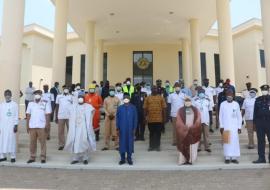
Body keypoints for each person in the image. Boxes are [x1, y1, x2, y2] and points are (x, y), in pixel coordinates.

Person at [64, 95, 96, 165]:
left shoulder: (87, 106)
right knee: (75, 142)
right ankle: (75, 158)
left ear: (84, 99)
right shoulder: (73, 106)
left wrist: (89, 119)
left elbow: (93, 111)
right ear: (77, 99)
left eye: (82, 98)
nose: (80, 100)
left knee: (84, 141)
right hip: (75, 128)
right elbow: (68, 111)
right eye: (79, 98)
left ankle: (85, 158)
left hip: (84, 127)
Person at [26, 90, 50, 164]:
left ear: (41, 95)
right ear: (34, 95)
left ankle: (43, 157)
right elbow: (28, 115)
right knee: (32, 143)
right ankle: (32, 157)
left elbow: (47, 115)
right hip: (32, 126)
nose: (37, 95)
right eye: (36, 94)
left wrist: (47, 125)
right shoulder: (30, 104)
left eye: (39, 94)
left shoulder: (45, 103)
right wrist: (27, 125)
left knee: (43, 142)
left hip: (42, 126)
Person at [176, 97, 201, 165]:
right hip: (183, 131)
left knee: (192, 146)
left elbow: (198, 119)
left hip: (193, 131)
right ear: (184, 102)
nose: (187, 102)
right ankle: (183, 160)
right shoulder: (180, 110)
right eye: (186, 101)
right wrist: (184, 127)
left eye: (189, 101)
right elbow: (178, 120)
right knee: (183, 145)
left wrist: (194, 126)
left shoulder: (196, 110)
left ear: (191, 102)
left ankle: (191, 160)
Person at [219, 90, 242, 164]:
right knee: (226, 142)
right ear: (226, 96)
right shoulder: (222, 104)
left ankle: (234, 157)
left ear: (233, 96)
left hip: (234, 127)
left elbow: (239, 116)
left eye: (230, 96)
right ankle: (227, 157)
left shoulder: (236, 104)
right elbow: (220, 116)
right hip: (225, 126)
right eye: (228, 96)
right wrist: (221, 126)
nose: (229, 97)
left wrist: (239, 127)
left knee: (234, 142)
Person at [116, 93, 138, 165]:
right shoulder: (120, 108)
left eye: (127, 98)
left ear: (129, 99)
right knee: (122, 143)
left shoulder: (133, 108)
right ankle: (122, 158)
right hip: (122, 129)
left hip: (130, 129)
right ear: (123, 99)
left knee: (130, 143)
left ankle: (129, 158)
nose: (126, 99)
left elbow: (135, 119)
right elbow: (117, 119)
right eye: (124, 98)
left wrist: (134, 128)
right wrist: (117, 128)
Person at [144, 86, 167, 151]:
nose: (154, 90)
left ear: (157, 90)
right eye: (153, 89)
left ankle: (157, 146)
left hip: (159, 119)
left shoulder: (161, 98)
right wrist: (144, 117)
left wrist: (164, 118)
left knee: (158, 133)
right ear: (151, 90)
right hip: (150, 119)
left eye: (155, 89)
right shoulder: (147, 98)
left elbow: (164, 108)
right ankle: (151, 146)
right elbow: (145, 108)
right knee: (151, 133)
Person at [0, 90, 19, 163]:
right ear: (4, 95)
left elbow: (16, 115)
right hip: (3, 126)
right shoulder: (1, 105)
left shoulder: (15, 104)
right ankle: (2, 156)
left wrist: (16, 125)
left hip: (11, 126)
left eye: (9, 94)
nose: (7, 96)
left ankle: (12, 156)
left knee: (11, 140)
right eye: (6, 94)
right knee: (2, 141)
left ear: (11, 95)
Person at [253, 85, 270, 164]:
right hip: (260, 123)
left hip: (269, 122)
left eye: (266, 90)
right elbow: (255, 113)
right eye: (263, 89)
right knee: (260, 141)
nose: (264, 91)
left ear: (268, 90)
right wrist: (254, 124)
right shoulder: (258, 99)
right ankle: (261, 158)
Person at [194, 88, 212, 152]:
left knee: (206, 134)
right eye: (200, 92)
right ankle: (198, 147)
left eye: (202, 92)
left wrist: (211, 120)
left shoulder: (208, 100)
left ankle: (207, 147)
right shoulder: (195, 101)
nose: (201, 93)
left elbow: (210, 111)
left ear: (204, 93)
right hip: (198, 120)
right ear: (198, 93)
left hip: (206, 119)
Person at [55, 85, 73, 150]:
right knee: (60, 131)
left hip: (69, 116)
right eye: (65, 88)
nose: (66, 89)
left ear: (68, 89)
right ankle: (61, 144)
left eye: (67, 88)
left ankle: (70, 144)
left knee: (70, 131)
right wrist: (56, 116)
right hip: (61, 116)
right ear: (63, 89)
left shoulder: (71, 96)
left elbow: (73, 107)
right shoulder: (59, 96)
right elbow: (57, 106)